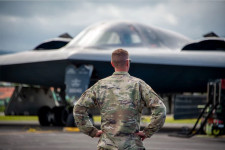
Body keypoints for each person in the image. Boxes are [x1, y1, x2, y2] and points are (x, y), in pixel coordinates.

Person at [74, 49, 166, 150]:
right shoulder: (139, 85)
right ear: (128, 62)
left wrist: (92, 131)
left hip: (106, 145)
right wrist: (147, 132)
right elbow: (160, 109)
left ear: (112, 64)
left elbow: (78, 108)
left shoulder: (100, 85)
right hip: (132, 145)